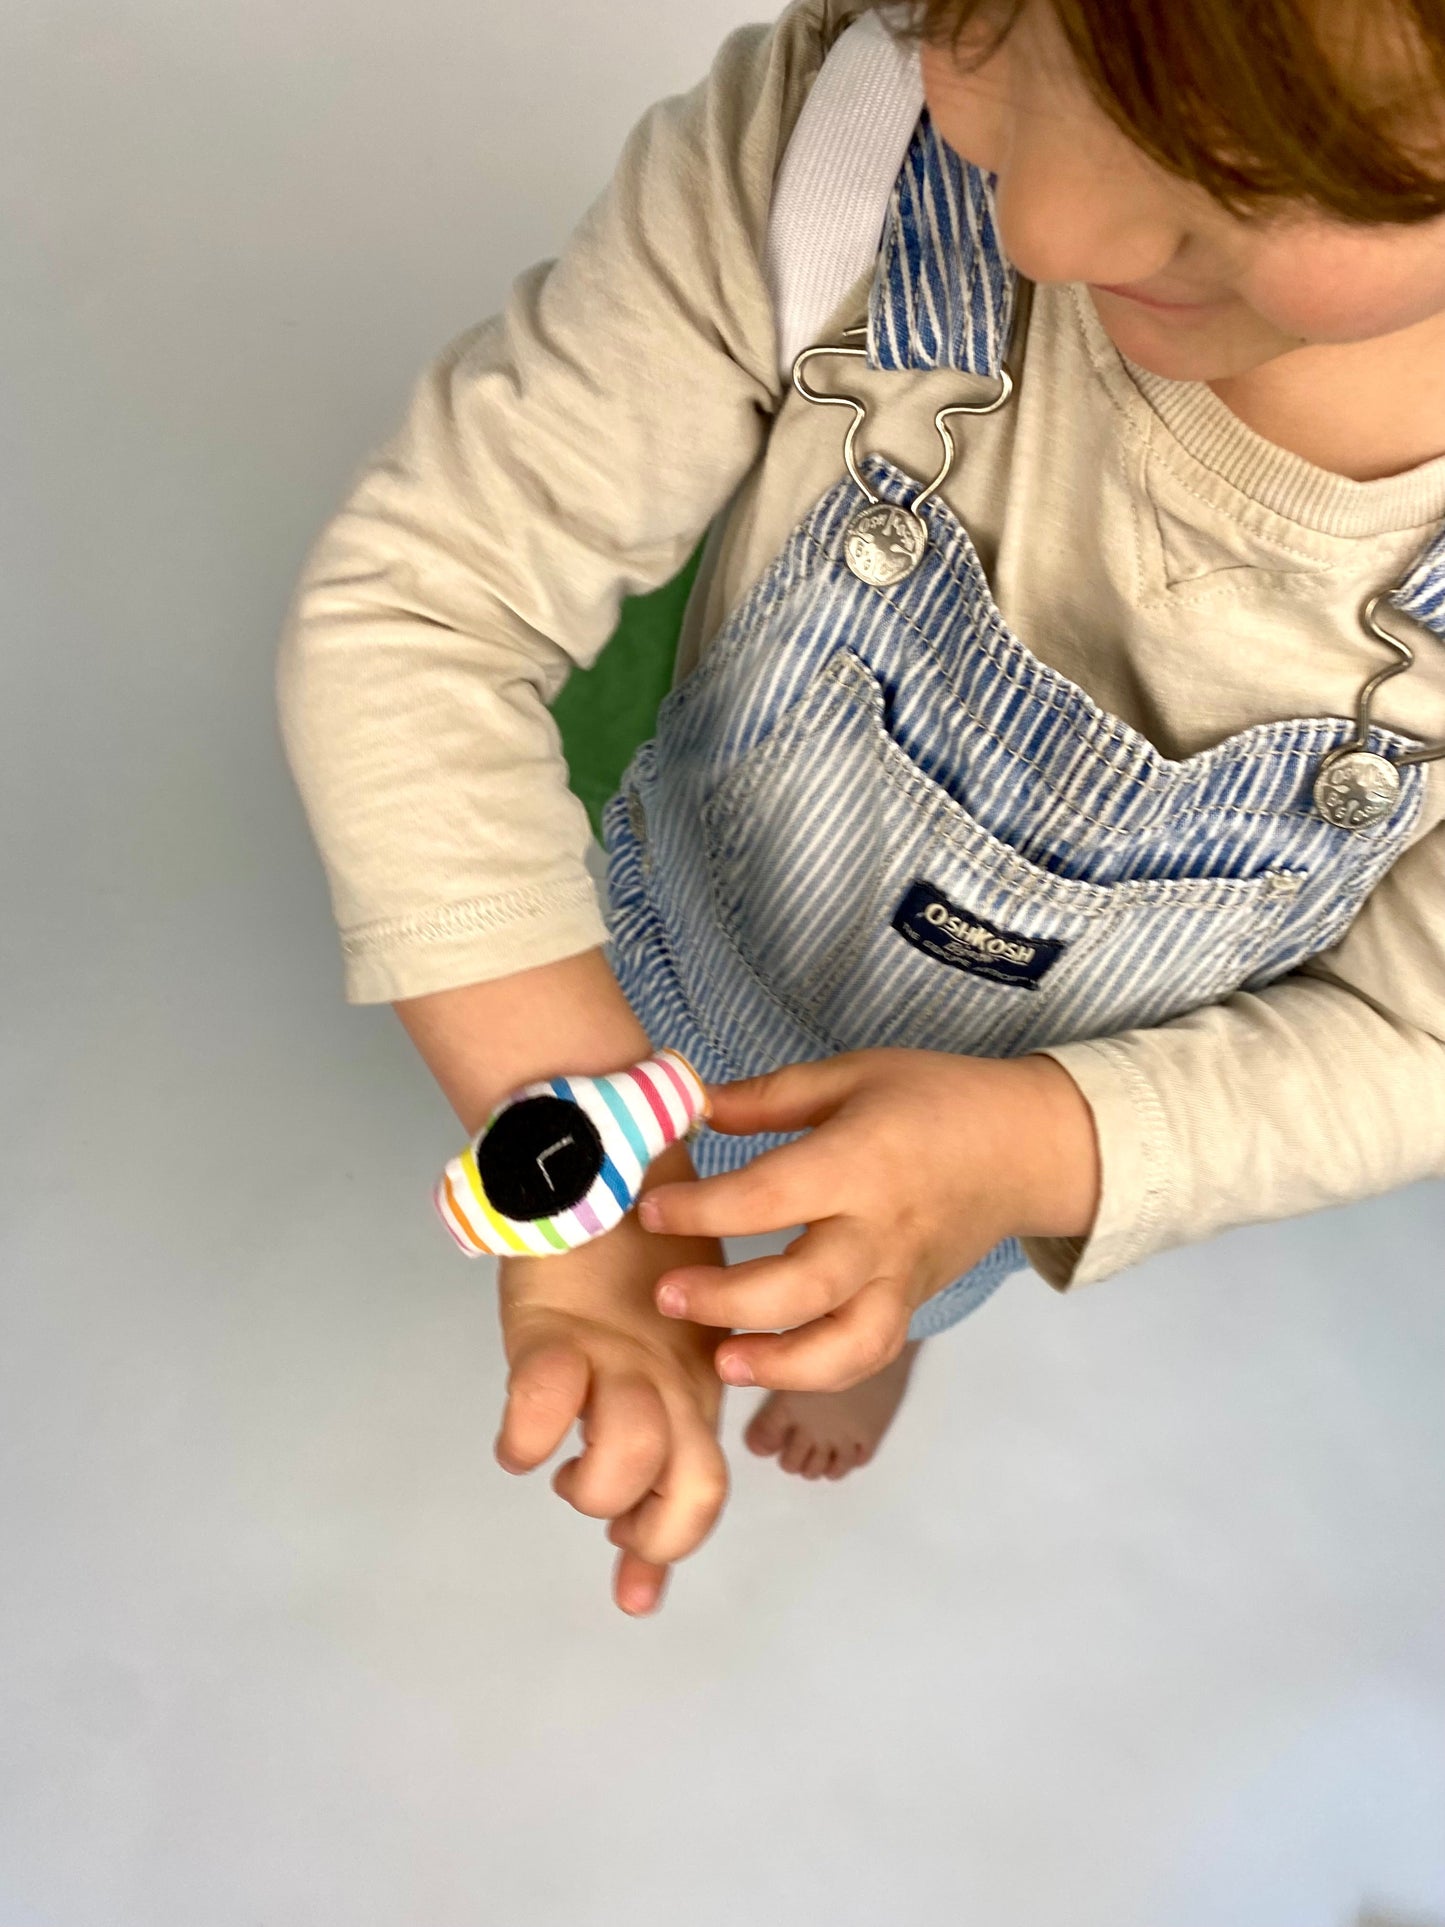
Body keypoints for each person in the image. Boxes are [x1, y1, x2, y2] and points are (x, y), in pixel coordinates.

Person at [277, 0, 1445, 1618]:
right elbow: (426, 609)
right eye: (971, 20)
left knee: (883, 1295)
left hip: (985, 1151)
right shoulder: (839, 151)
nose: (1044, 223)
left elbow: (1414, 1036)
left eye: (1241, 164)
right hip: (655, 942)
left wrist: (1031, 1147)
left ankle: (869, 1345)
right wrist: (574, 1162)